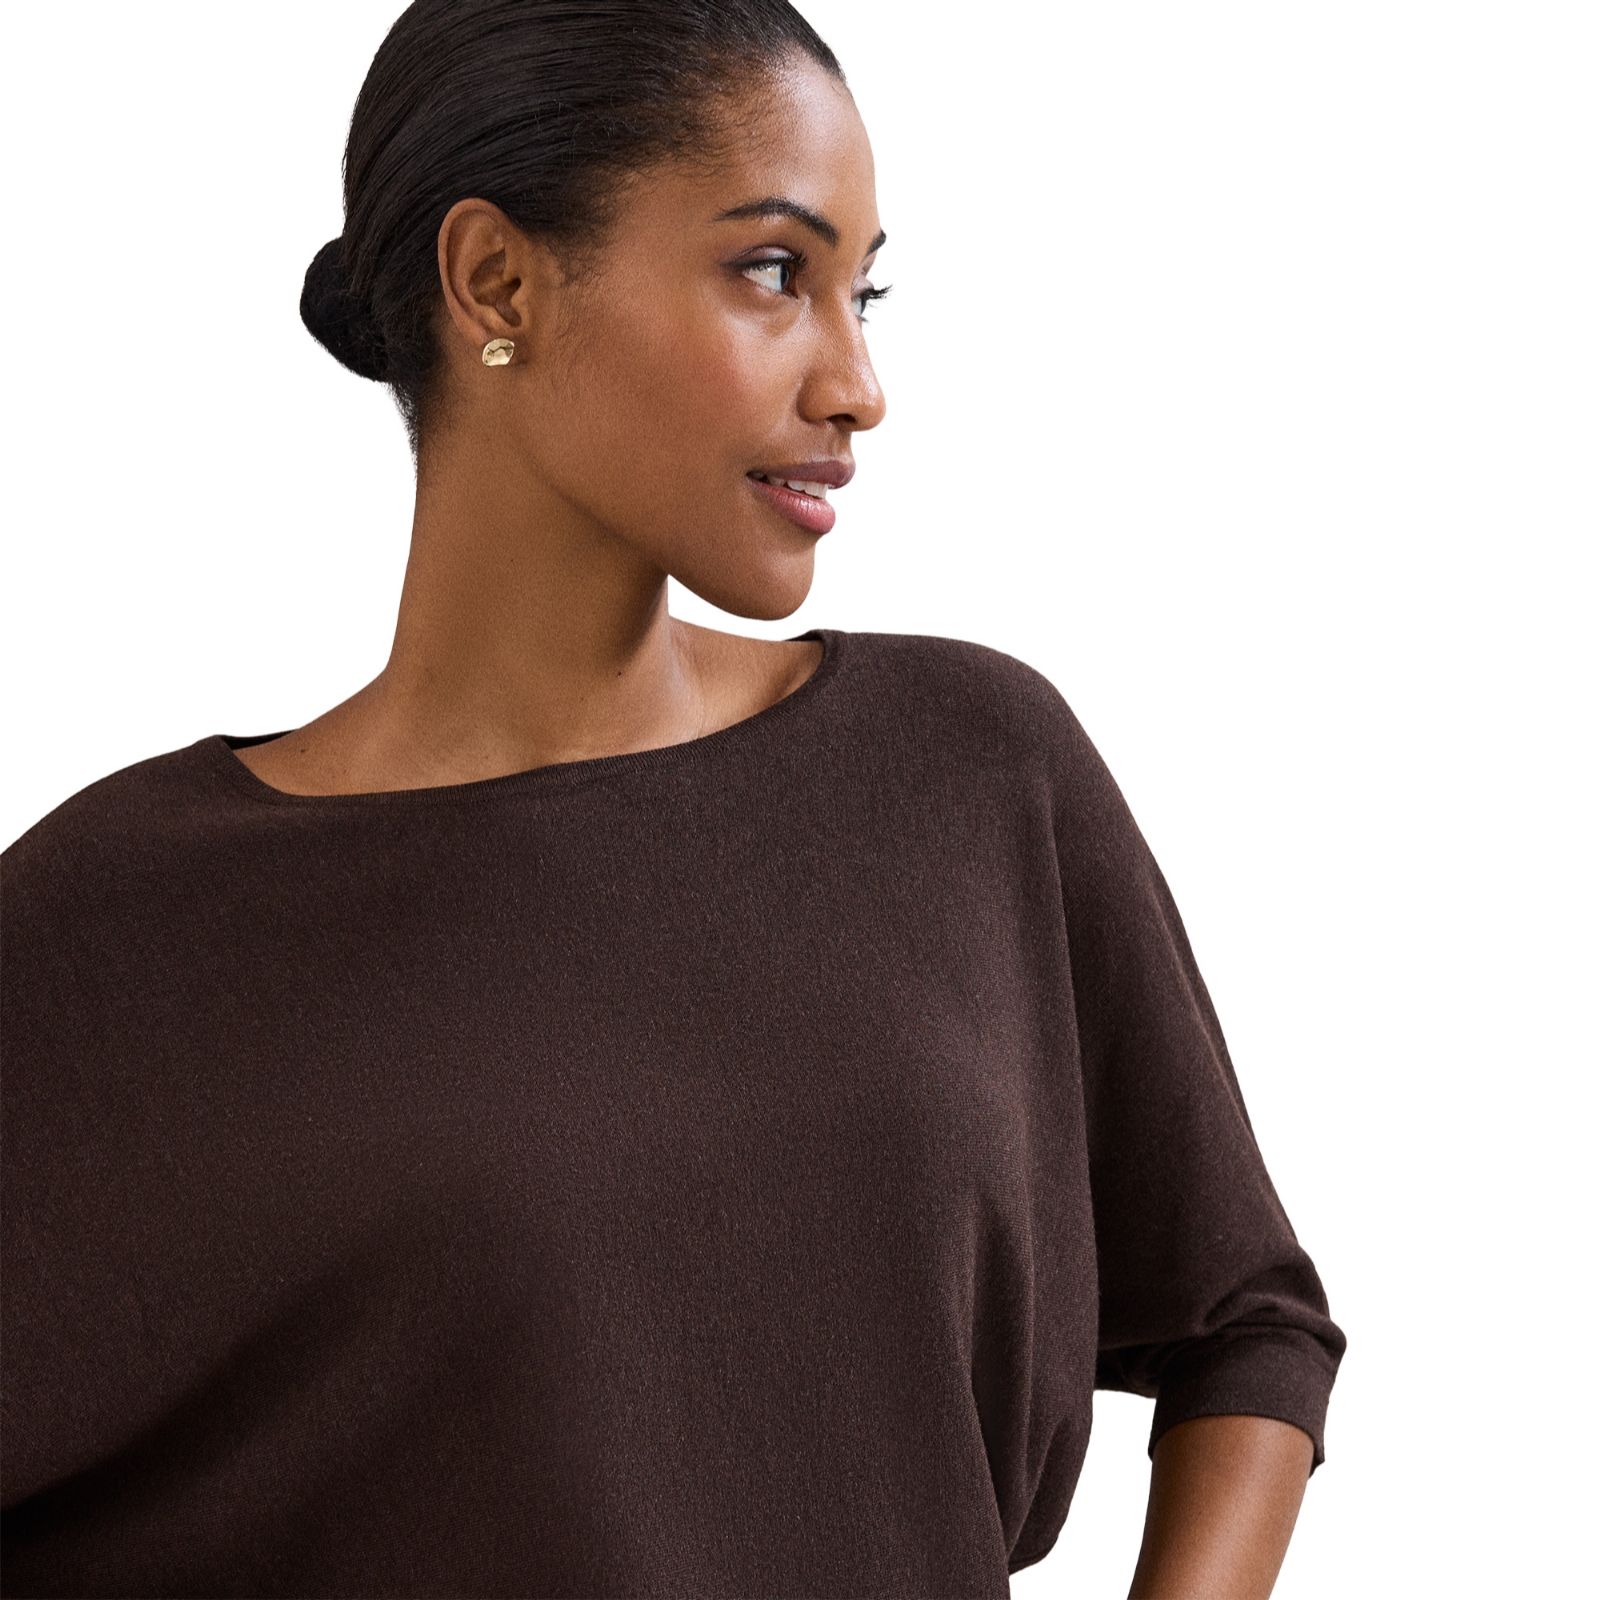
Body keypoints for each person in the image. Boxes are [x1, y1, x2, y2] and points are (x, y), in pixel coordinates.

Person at [0, 2, 1346, 1596]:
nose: (858, 384)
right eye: (773, 272)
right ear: (496, 283)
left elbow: (1245, 1326)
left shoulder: (970, 766)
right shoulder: (115, 924)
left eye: (864, 290)